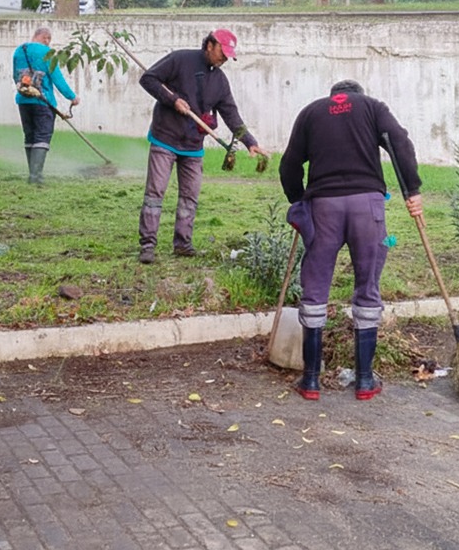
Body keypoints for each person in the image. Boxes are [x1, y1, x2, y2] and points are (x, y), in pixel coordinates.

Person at [278, 80, 423, 401]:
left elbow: (289, 164)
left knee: (315, 288)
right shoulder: (372, 107)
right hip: (366, 207)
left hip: (323, 208)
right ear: (358, 94)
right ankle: (365, 381)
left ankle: (311, 381)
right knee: (367, 287)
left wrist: (299, 201)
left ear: (334, 96)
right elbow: (400, 142)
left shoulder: (311, 112)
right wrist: (412, 190)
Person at [137, 28, 269, 264]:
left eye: (229, 55)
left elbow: (231, 113)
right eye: (222, 52)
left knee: (190, 196)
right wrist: (172, 99)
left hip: (193, 144)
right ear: (210, 44)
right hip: (165, 137)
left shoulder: (219, 80)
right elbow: (148, 79)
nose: (225, 59)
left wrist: (250, 141)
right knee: (155, 193)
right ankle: (147, 245)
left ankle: (183, 244)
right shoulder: (180, 59)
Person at [13, 26, 79, 184]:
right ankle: (36, 176)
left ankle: (32, 174)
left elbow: (15, 76)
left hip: (23, 100)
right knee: (42, 136)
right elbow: (57, 78)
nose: (48, 43)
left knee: (30, 136)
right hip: (43, 102)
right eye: (48, 39)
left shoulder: (19, 51)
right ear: (45, 38)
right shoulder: (47, 54)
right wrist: (72, 97)